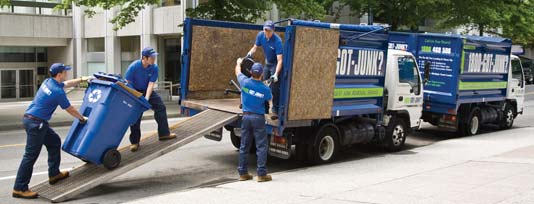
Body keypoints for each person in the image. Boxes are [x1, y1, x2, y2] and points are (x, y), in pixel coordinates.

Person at [13, 63, 90, 199]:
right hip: (36, 124)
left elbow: (66, 83)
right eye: (65, 71)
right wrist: (81, 118)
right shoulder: (57, 92)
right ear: (59, 74)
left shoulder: (48, 82)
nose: (66, 73)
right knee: (30, 156)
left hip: (34, 120)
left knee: (54, 142)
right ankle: (19, 188)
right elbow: (70, 108)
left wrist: (82, 79)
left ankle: (54, 174)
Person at [125, 47, 176, 152]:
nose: (154, 59)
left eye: (154, 57)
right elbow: (128, 84)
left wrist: (146, 99)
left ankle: (164, 134)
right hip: (134, 91)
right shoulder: (133, 67)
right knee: (136, 114)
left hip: (147, 90)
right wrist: (137, 97)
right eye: (152, 57)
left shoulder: (154, 68)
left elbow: (150, 84)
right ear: (144, 58)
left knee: (161, 107)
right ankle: (135, 142)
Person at [235, 58, 273, 182]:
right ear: (262, 74)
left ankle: (243, 173)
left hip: (246, 117)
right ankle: (261, 174)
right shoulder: (265, 89)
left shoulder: (244, 82)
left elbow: (237, 72)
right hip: (258, 118)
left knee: (244, 145)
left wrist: (239, 63)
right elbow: (270, 102)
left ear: (250, 72)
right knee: (261, 146)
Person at [246, 20, 283, 118]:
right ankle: (265, 108)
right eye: (265, 30)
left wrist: (276, 74)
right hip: (267, 63)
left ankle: (275, 110)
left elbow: (280, 60)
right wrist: (249, 53)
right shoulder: (261, 35)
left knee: (274, 88)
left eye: (269, 30)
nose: (267, 32)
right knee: (263, 85)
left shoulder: (277, 41)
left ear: (273, 30)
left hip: (275, 64)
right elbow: (255, 47)